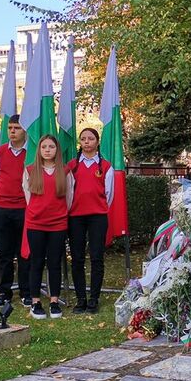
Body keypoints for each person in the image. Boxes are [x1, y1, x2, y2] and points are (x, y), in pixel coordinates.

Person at [23, 135, 74, 320]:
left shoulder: (65, 171)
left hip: (58, 224)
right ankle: (35, 302)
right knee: (36, 262)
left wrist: (58, 214)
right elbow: (27, 195)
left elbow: (69, 197)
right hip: (36, 223)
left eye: (51, 146)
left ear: (57, 150)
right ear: (39, 150)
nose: (47, 150)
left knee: (54, 263)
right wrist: (38, 212)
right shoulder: (30, 170)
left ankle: (54, 301)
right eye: (44, 146)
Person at [67, 128, 114, 314]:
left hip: (97, 217)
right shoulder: (72, 166)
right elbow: (68, 192)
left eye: (91, 138)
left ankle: (94, 299)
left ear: (97, 142)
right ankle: (81, 299)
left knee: (96, 257)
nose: (87, 142)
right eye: (83, 139)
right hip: (75, 217)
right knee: (77, 258)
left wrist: (98, 208)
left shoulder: (106, 166)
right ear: (80, 142)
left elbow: (109, 194)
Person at [0, 114, 31, 309]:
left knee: (25, 253)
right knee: (4, 253)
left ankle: (26, 292)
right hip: (3, 208)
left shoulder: (32, 152)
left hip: (24, 209)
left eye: (17, 128)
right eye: (10, 128)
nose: (12, 131)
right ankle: (4, 293)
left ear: (25, 131)